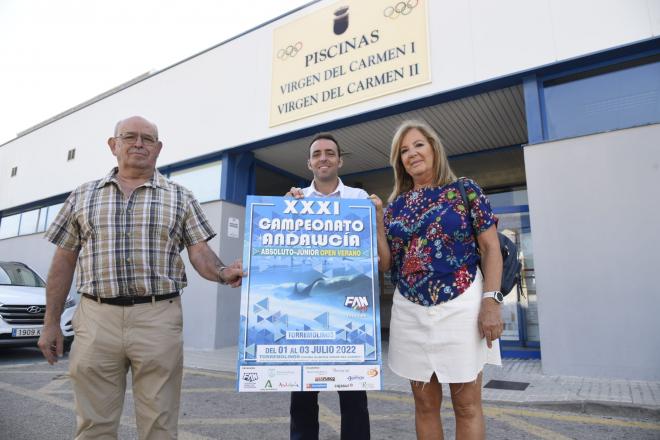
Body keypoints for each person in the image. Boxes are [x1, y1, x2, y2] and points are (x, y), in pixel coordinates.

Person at [37, 116, 244, 440]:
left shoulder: (181, 197)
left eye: (148, 139)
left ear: (158, 148)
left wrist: (221, 272)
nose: (139, 144)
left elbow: (199, 251)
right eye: (129, 136)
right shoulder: (82, 195)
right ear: (113, 144)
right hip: (95, 318)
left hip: (158, 317)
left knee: (160, 424)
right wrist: (51, 322)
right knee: (93, 424)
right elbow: (63, 261)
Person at [372, 120, 503, 440]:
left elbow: (491, 248)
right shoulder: (395, 207)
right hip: (410, 310)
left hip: (462, 306)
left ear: (433, 147)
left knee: (467, 405)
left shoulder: (466, 190)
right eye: (403, 151)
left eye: (418, 145)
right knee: (425, 405)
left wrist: (492, 301)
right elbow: (387, 263)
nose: (411, 153)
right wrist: (377, 222)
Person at [286, 133, 371, 440]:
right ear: (309, 163)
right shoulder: (295, 202)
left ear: (340, 160)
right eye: (317, 153)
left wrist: (378, 215)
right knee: (304, 396)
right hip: (309, 309)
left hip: (349, 305)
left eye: (330, 153)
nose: (323, 158)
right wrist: (283, 212)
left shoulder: (360, 201)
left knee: (353, 396)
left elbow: (370, 252)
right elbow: (285, 252)